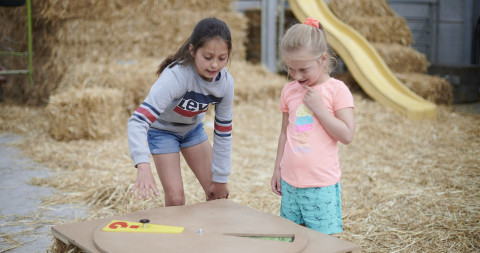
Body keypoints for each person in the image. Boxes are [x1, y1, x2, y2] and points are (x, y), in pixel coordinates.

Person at [128, 17, 234, 206]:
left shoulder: (225, 84)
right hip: (163, 132)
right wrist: (143, 166)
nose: (215, 65)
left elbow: (224, 133)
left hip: (192, 131)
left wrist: (221, 178)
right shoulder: (177, 76)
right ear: (193, 51)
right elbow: (137, 121)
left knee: (217, 195)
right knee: (176, 199)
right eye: (207, 57)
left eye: (222, 58)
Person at [271, 17, 355, 234]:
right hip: (290, 182)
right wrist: (277, 168)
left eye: (303, 69)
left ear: (323, 60)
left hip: (320, 185)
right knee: (292, 238)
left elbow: (346, 135)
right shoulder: (289, 91)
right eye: (290, 68)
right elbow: (284, 133)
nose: (296, 76)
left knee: (322, 241)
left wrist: (319, 109)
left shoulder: (337, 90)